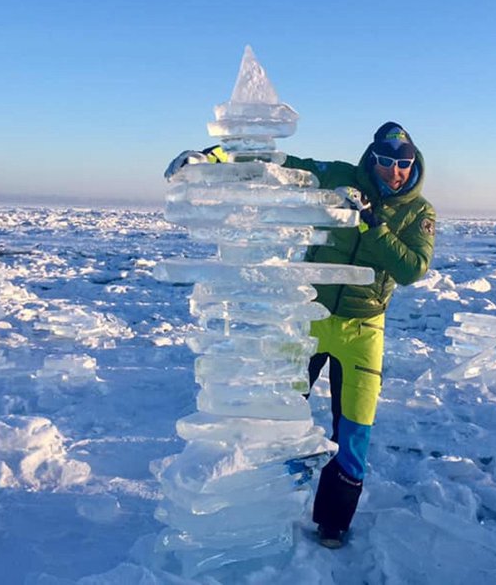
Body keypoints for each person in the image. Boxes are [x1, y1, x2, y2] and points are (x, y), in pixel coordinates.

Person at [165, 122, 436, 548]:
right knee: (271, 415)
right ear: (373, 158)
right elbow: (284, 167)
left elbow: (412, 268)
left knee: (353, 431)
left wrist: (370, 223)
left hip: (363, 331)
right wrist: (215, 157)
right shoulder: (342, 176)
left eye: (402, 162)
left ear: (413, 163)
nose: (394, 171)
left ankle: (333, 524)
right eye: (386, 160)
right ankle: (261, 503)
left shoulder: (420, 213)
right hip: (309, 316)